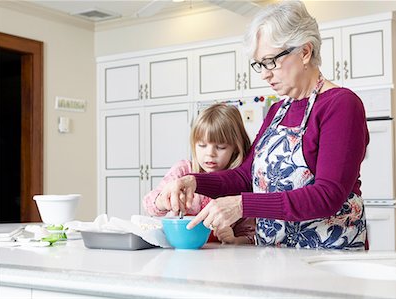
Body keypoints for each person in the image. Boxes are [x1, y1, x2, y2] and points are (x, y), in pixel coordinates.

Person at [159, 1, 369, 250]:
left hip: (328, 257)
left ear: (305, 52)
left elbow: (328, 195)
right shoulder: (278, 111)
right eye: (259, 64)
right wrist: (194, 181)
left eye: (271, 61)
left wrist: (241, 205)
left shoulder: (341, 105)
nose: (264, 74)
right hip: (273, 254)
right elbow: (244, 175)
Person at [143, 103, 255, 245]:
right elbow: (148, 204)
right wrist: (164, 201)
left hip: (216, 259)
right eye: (202, 145)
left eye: (220, 147)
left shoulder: (241, 182)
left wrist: (234, 239)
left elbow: (250, 235)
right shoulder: (183, 170)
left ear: (235, 148)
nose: (210, 153)